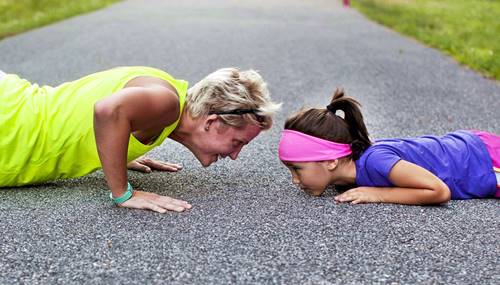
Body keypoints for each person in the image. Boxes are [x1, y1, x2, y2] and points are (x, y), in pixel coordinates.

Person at [0, 66, 281, 213]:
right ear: (212, 122)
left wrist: (117, 151)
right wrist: (123, 193)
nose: (235, 155)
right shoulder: (167, 103)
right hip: (10, 128)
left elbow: (97, 110)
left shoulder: (167, 99)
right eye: (238, 142)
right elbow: (108, 110)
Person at [278, 89, 499, 205]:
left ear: (331, 160)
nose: (295, 180)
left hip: (486, 160)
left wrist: (379, 194)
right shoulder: (348, 176)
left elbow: (438, 191)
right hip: (476, 150)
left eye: (297, 169)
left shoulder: (375, 161)